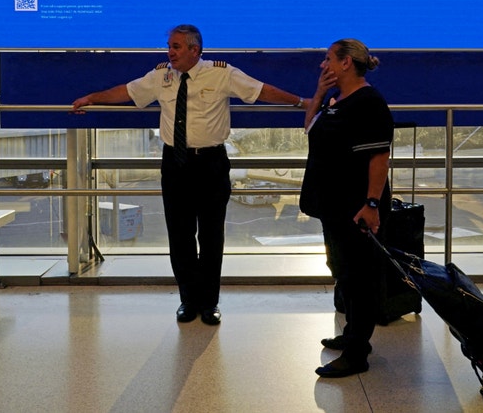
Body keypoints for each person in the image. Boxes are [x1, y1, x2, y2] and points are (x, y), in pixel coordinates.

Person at [71, 24, 308, 325]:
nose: (170, 51)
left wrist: (301, 102)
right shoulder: (161, 76)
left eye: (177, 46)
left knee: (211, 235)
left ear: (196, 50)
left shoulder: (222, 73)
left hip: (211, 163)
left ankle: (209, 302)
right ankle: (188, 299)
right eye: (169, 45)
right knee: (180, 235)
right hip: (175, 164)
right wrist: (90, 98)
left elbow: (261, 91)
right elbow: (126, 92)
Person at [299, 38, 393, 378]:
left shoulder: (368, 103)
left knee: (359, 276)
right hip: (333, 204)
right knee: (342, 270)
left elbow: (379, 157)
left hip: (355, 207)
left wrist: (371, 203)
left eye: (328, 60)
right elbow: (309, 128)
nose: (323, 65)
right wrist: (319, 94)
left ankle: (357, 351)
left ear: (345, 64)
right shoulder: (339, 101)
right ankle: (352, 333)